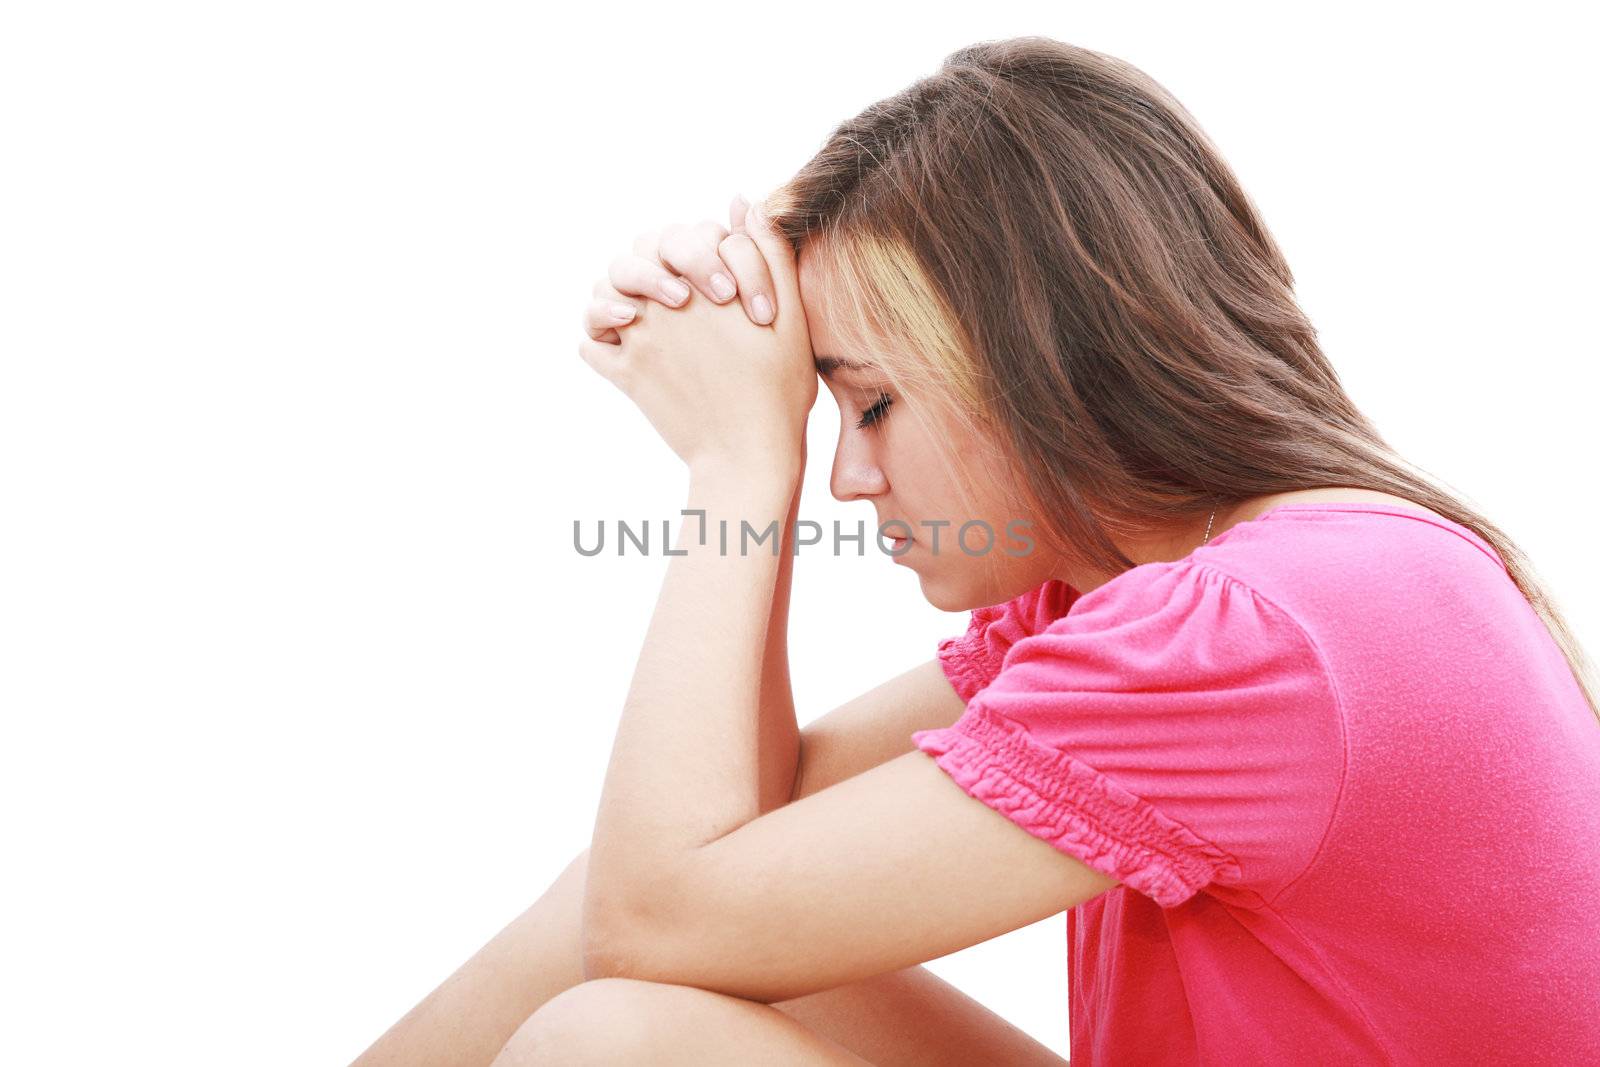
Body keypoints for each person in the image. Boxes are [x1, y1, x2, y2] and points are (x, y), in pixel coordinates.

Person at [353, 36, 1600, 1066]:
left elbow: (655, 920)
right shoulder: (1220, 589)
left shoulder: (1250, 632)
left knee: (617, 1040)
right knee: (628, 946)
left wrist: (739, 468)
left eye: (870, 402)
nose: (848, 474)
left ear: (1036, 359)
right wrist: (765, 317)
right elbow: (722, 831)